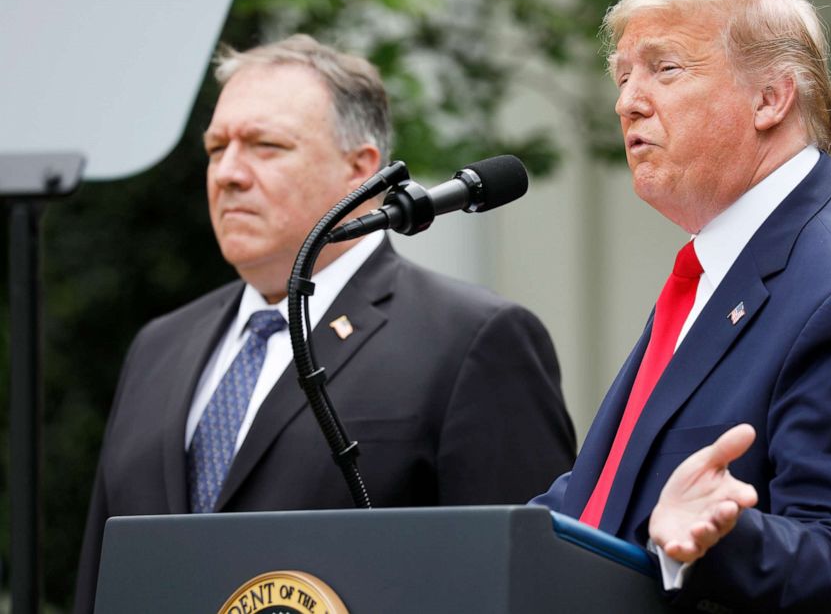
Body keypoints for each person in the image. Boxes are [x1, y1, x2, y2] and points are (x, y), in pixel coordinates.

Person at [74, 34, 576, 613]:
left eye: (265, 145)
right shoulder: (159, 345)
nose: (228, 173)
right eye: (217, 148)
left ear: (360, 172)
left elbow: (525, 584)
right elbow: (102, 579)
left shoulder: (471, 340)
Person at [532, 0, 831, 613]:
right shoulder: (726, 269)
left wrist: (715, 541)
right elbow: (605, 499)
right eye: (623, 76)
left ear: (771, 98)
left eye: (665, 69)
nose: (628, 100)